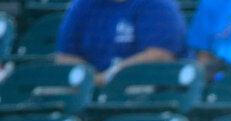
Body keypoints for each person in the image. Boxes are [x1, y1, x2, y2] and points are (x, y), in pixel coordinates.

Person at [55, 0, 186, 86]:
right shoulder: (82, 5)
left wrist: (108, 76)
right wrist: (88, 78)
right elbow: (66, 56)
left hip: (142, 85)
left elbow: (159, 55)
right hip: (91, 86)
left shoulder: (158, 4)